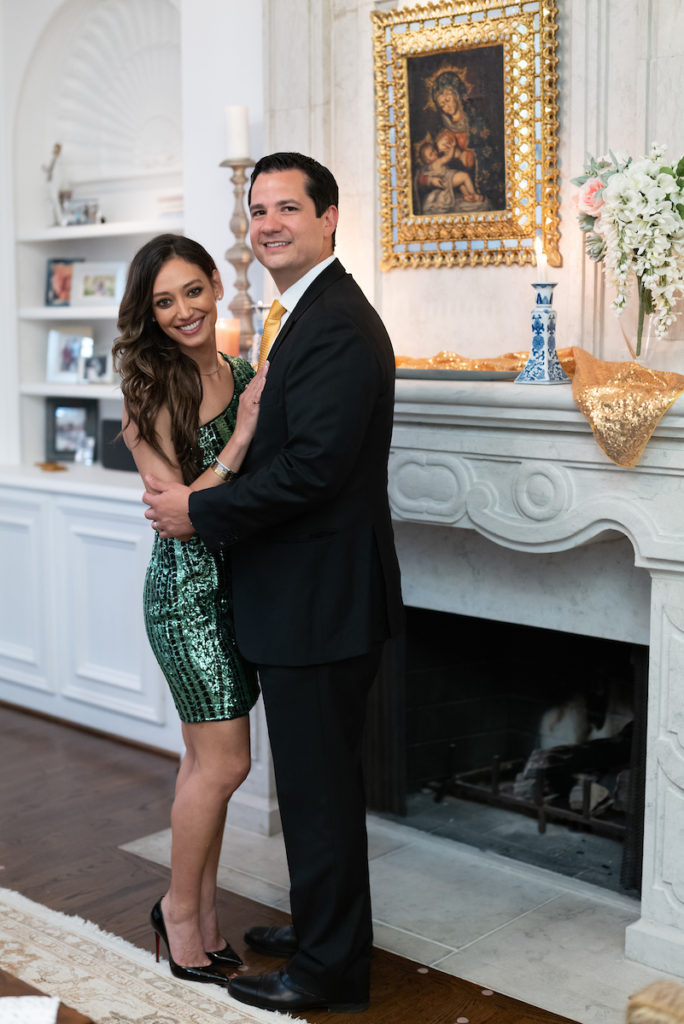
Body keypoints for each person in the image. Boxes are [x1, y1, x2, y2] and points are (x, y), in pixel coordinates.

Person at [142, 152, 404, 1014]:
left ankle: (328, 970)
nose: (267, 225)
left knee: (321, 793)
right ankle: (325, 929)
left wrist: (201, 513)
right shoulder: (304, 314)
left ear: (330, 218)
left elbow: (315, 471)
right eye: (257, 211)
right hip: (308, 598)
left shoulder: (331, 322)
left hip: (320, 601)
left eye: (286, 208)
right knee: (315, 788)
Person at [112, 233, 267, 988]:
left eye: (192, 292)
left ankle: (199, 916)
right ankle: (178, 913)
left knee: (206, 765)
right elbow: (181, 508)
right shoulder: (148, 390)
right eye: (163, 302)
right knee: (227, 762)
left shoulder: (243, 369)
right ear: (148, 313)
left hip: (241, 588)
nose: (182, 312)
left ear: (215, 284)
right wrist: (241, 433)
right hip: (186, 596)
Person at [415, 139, 483, 214]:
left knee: (461, 184)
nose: (435, 153)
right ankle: (474, 194)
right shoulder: (437, 162)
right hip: (448, 179)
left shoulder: (429, 167)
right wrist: (453, 147)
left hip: (447, 178)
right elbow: (449, 157)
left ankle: (467, 197)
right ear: (428, 161)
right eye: (431, 154)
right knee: (465, 176)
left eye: (433, 150)